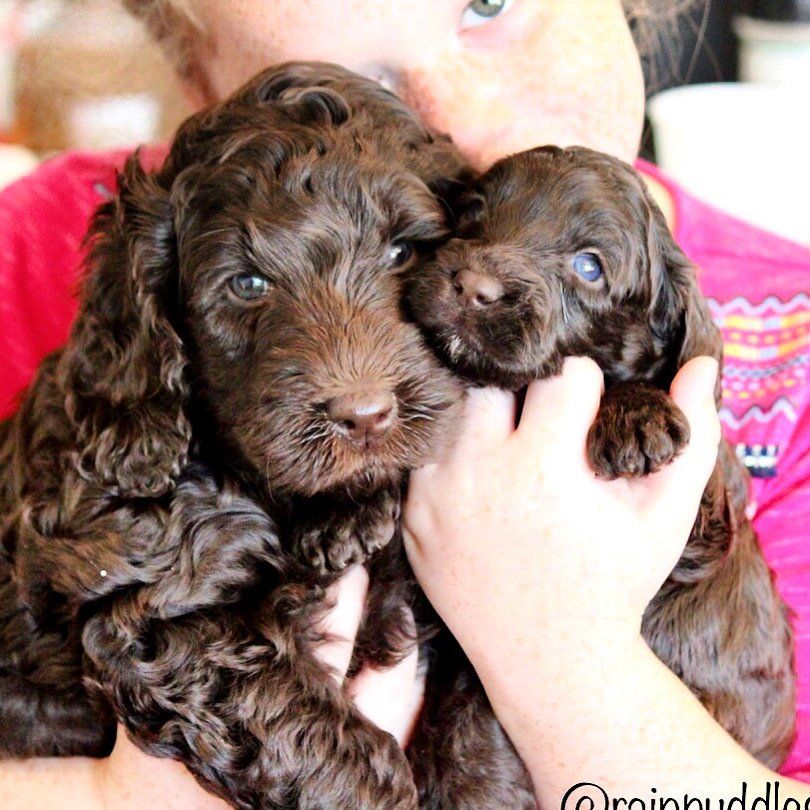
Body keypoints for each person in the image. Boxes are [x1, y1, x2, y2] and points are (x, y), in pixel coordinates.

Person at [1, 1, 808, 806]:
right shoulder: (44, 254)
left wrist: (568, 664)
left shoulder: (786, 363)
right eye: (363, 83)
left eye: (490, 4)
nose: (465, 117)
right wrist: (105, 797)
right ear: (198, 84)